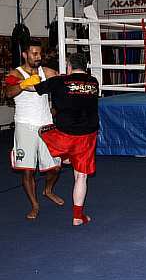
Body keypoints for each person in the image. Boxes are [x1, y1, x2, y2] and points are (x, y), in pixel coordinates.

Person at [30, 54, 100, 226]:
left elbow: (33, 88)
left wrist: (23, 81)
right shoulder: (94, 82)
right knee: (81, 177)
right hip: (87, 135)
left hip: (64, 135)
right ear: (86, 67)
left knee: (45, 131)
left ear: (68, 66)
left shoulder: (59, 81)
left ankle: (65, 155)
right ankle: (78, 216)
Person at [4, 39, 62, 220]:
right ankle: (34, 205)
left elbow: (63, 86)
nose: (38, 57)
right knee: (28, 170)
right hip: (25, 126)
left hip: (46, 125)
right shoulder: (16, 74)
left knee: (56, 167)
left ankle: (48, 190)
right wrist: (24, 83)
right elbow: (8, 92)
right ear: (25, 54)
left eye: (39, 54)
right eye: (34, 54)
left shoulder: (48, 72)